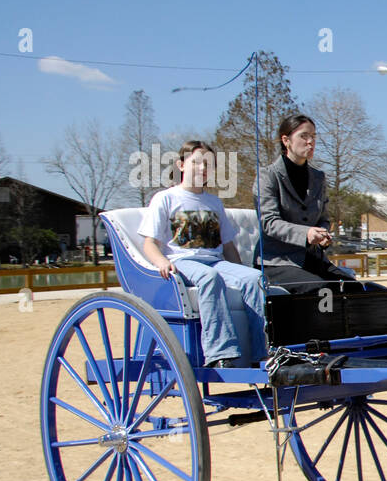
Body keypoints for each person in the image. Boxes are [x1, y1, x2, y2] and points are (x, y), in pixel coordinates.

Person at [140, 141, 267, 368]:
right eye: (196, 162)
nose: (202, 169)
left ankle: (263, 354)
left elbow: (227, 246)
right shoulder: (166, 198)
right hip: (182, 261)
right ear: (181, 165)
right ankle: (220, 353)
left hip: (215, 261)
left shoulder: (214, 202)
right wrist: (161, 261)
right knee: (209, 278)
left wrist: (241, 271)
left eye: (208, 164)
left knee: (254, 279)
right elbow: (150, 243)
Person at [255, 113, 354, 291]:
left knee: (353, 289)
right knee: (321, 290)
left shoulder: (319, 177)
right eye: (304, 136)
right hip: (276, 262)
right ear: (286, 140)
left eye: (313, 137)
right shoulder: (267, 176)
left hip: (312, 260)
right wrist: (306, 234)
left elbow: (323, 218)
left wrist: (323, 234)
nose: (310, 142)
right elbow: (269, 222)